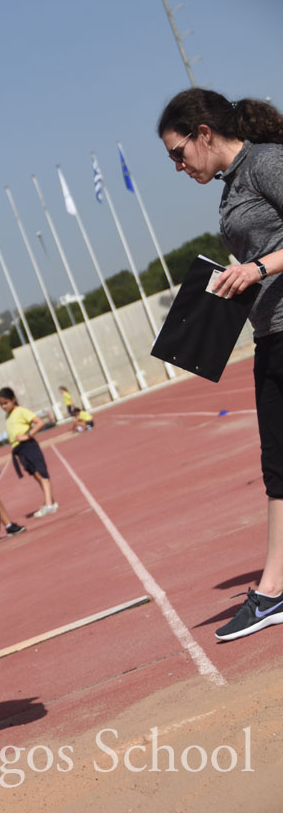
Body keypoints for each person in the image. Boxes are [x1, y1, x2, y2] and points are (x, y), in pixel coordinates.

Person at [157, 87, 283, 641]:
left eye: (177, 153)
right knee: (277, 465)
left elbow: (268, 258)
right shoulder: (233, 186)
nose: (178, 166)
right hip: (270, 335)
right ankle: (275, 589)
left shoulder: (267, 163)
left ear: (203, 134)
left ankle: (273, 588)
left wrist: (257, 269)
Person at [0, 387, 58, 518]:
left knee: (41, 474)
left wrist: (28, 435)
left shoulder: (21, 411)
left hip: (28, 446)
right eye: (1, 404)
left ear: (13, 399)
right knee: (36, 475)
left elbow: (40, 423)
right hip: (19, 450)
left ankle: (49, 505)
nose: (3, 406)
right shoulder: (8, 416)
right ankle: (50, 501)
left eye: (5, 403)